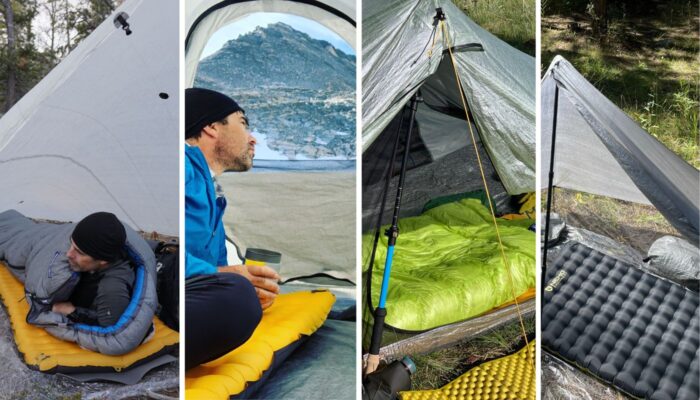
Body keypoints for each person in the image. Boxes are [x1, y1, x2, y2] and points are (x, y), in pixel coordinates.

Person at [184, 88, 280, 369]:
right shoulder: (181, 165)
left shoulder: (211, 193)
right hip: (164, 291)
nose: (253, 139)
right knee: (236, 297)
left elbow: (218, 269)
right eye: (243, 123)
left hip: (187, 296)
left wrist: (250, 284)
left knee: (239, 293)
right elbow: (161, 253)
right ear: (211, 127)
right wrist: (223, 277)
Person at [50, 212, 134, 327]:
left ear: (103, 260)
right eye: (71, 244)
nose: (69, 254)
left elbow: (111, 328)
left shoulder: (112, 288)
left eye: (79, 252)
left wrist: (72, 312)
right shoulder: (94, 259)